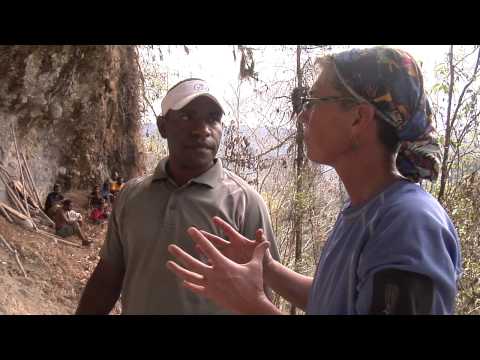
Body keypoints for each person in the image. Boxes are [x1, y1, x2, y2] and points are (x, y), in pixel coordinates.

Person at [166, 47, 463, 315]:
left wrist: (253, 305)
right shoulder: (365, 210)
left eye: (314, 101)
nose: (303, 115)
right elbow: (333, 301)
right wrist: (268, 269)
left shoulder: (408, 226)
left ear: (358, 118)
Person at [75, 78, 280, 314]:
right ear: (163, 126)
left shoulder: (245, 203)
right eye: (186, 117)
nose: (202, 130)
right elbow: (107, 279)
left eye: (213, 118)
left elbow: (263, 293)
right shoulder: (132, 196)